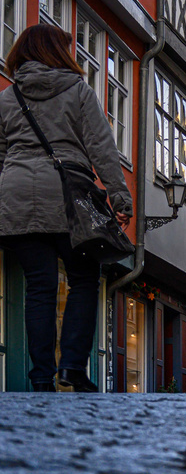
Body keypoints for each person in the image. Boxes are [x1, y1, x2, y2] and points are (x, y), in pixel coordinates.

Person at [0, 24, 133, 392]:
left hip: (17, 196)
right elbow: (101, 148)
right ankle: (72, 367)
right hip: (69, 195)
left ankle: (40, 376)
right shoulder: (77, 90)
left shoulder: (7, 98)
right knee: (83, 279)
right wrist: (120, 198)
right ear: (57, 52)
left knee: (38, 288)